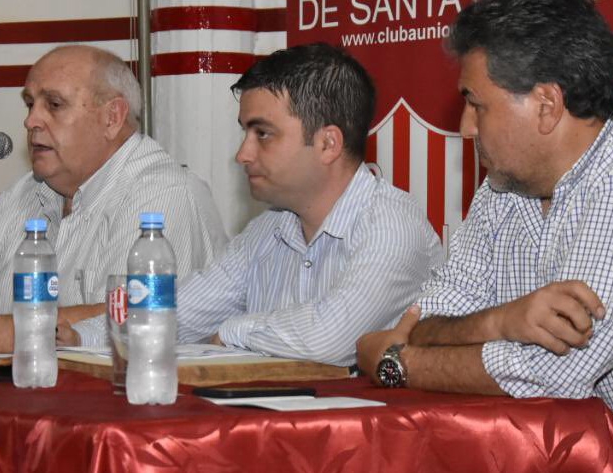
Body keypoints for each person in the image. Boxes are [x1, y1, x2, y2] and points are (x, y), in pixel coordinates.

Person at [356, 0, 613, 406]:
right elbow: (423, 321)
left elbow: (553, 373)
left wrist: (398, 365)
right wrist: (501, 322)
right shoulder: (501, 188)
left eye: (476, 104)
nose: (465, 127)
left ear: (546, 105)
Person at [0, 45, 227, 352]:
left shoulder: (163, 195)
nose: (31, 121)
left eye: (54, 104)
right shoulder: (22, 195)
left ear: (112, 117)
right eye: (30, 104)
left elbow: (134, 320)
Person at [172, 44, 443, 366]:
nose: (242, 154)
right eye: (246, 132)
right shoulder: (266, 230)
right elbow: (171, 318)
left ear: (328, 144)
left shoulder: (392, 225)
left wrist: (233, 331)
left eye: (263, 134)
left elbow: (331, 341)